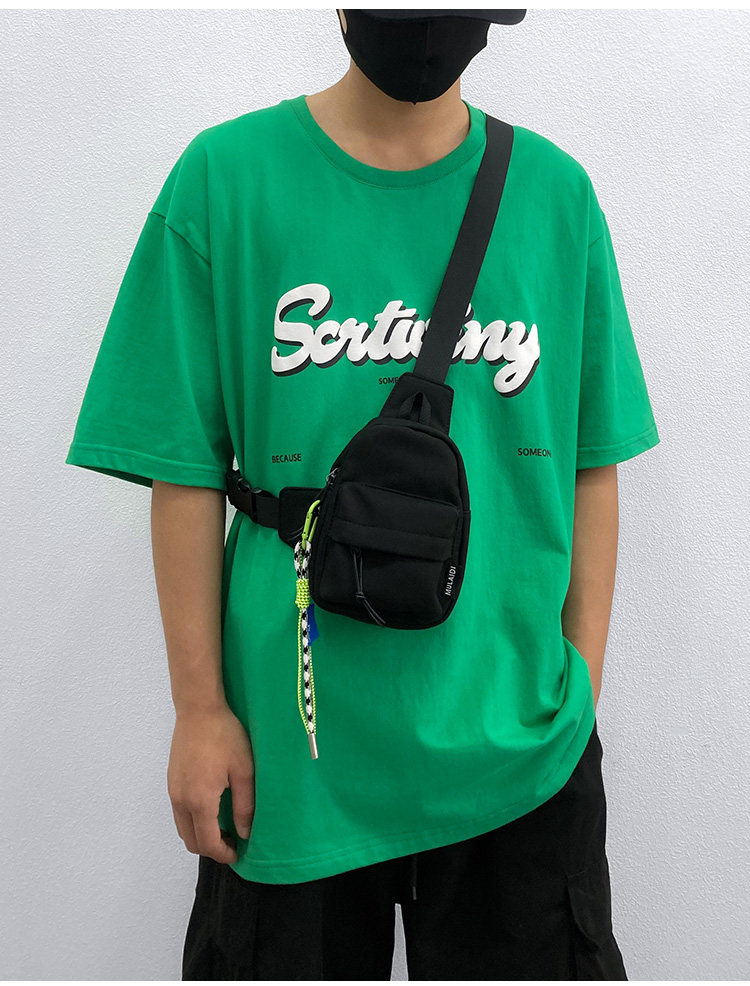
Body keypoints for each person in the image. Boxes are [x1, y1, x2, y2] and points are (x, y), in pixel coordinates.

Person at [65, 8, 660, 980]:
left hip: (518, 746)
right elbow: (183, 470)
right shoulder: (226, 181)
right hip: (291, 754)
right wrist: (199, 709)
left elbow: (593, 459)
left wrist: (578, 684)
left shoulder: (556, 197)